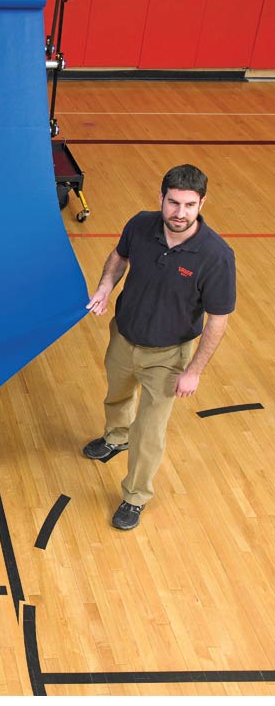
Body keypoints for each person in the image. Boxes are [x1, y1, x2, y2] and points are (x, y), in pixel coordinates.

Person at [83, 164, 236, 530]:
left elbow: (218, 319)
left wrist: (194, 371)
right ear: (161, 198)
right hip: (123, 336)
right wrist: (106, 286)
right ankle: (115, 437)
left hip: (168, 358)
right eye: (173, 203)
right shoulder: (140, 224)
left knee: (149, 432)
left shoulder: (216, 256)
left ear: (202, 203)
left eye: (189, 205)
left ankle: (134, 496)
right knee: (116, 396)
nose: (179, 213)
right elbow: (120, 256)